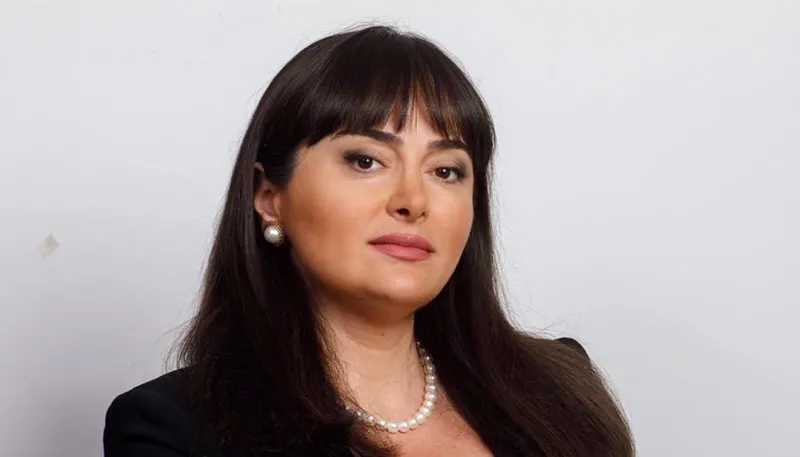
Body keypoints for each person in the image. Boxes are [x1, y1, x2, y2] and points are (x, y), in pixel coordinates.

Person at [103, 25, 634, 457]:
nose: (413, 200)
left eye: (446, 171)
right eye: (365, 161)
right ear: (269, 197)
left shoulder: (560, 390)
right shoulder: (177, 429)